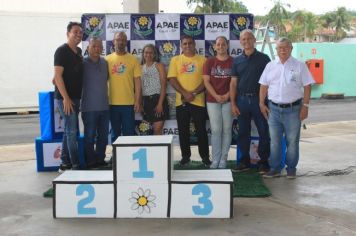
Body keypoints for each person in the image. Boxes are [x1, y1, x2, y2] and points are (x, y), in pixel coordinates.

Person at [259, 37, 314, 179]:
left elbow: (307, 86)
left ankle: (291, 169)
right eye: (279, 48)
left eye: (285, 47)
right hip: (273, 109)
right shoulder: (270, 66)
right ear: (276, 50)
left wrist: (306, 106)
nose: (282, 50)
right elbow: (264, 86)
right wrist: (261, 103)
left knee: (292, 142)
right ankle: (275, 168)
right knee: (275, 141)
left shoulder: (300, 65)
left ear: (291, 48)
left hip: (293, 110)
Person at [230, 29, 271, 174]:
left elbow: (269, 82)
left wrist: (264, 102)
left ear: (254, 40)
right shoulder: (237, 60)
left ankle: (263, 162)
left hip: (258, 101)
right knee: (243, 133)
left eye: (249, 39)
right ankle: (244, 162)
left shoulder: (264, 58)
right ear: (240, 42)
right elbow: (233, 83)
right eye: (243, 39)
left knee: (264, 132)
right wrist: (233, 103)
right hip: (241, 101)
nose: (246, 41)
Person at [167, 35, 211, 166]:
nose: (187, 46)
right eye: (184, 44)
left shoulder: (203, 60)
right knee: (183, 130)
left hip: (198, 101)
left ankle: (205, 157)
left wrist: (194, 93)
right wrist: (185, 94)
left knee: (201, 131)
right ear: (181, 45)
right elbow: (172, 79)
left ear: (194, 44)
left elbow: (206, 81)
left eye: (190, 43)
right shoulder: (175, 60)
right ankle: (185, 156)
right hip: (182, 102)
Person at [53, 21, 83, 172]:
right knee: (72, 132)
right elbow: (57, 76)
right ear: (68, 34)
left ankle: (64, 163)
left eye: (80, 33)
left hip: (76, 98)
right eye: (75, 32)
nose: (78, 35)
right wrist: (66, 98)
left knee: (68, 130)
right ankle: (75, 166)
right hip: (65, 99)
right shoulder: (61, 51)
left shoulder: (78, 52)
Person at [203, 36, 233, 169]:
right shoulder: (209, 62)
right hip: (212, 100)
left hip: (229, 100)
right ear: (215, 47)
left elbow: (234, 82)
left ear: (227, 46)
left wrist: (227, 95)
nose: (220, 47)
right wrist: (216, 96)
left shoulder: (234, 62)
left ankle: (223, 159)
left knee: (227, 129)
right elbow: (206, 81)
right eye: (218, 44)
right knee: (216, 130)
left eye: (223, 44)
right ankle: (215, 159)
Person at [106, 31, 141, 142]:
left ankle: (129, 157)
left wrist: (137, 101)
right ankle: (115, 156)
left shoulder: (133, 59)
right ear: (113, 42)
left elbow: (138, 82)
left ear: (126, 42)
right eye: (118, 40)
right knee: (114, 133)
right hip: (111, 103)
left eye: (123, 40)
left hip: (128, 104)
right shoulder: (106, 60)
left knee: (129, 133)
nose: (120, 42)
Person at [81, 37, 109, 169]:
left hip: (104, 107)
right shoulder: (82, 63)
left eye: (99, 46)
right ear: (88, 48)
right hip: (89, 108)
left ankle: (100, 159)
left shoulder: (105, 62)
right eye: (94, 46)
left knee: (103, 137)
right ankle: (91, 162)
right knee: (89, 137)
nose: (97, 49)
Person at [141, 44, 169, 135]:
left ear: (154, 54)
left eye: (150, 53)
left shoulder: (159, 65)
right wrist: (140, 103)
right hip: (146, 101)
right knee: (147, 132)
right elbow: (139, 87)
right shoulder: (140, 67)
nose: (148, 55)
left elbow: (164, 84)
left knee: (157, 131)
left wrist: (160, 104)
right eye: (146, 52)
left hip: (158, 99)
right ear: (143, 54)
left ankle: (159, 149)